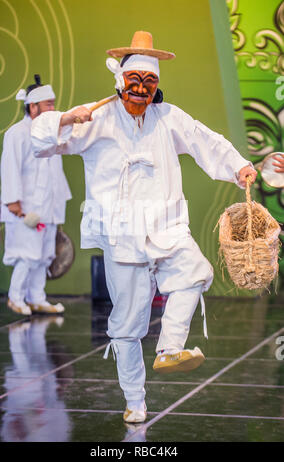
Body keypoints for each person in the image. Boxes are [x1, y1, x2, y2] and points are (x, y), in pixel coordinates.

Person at [31, 32, 257, 423]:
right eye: (133, 81)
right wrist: (67, 117)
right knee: (128, 324)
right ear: (120, 83)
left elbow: (206, 140)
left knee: (194, 273)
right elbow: (41, 141)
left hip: (166, 224)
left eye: (148, 83)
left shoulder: (168, 118)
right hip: (122, 234)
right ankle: (134, 399)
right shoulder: (95, 118)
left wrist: (239, 166)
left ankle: (170, 348)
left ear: (155, 87)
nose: (140, 90)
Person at [0, 75, 72, 316]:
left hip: (47, 207)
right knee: (27, 254)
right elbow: (10, 168)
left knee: (43, 256)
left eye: (53, 103)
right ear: (33, 107)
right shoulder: (17, 133)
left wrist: (58, 205)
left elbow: (54, 173)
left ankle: (37, 297)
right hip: (25, 208)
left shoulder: (52, 134)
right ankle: (16, 297)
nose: (53, 108)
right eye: (48, 104)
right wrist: (14, 203)